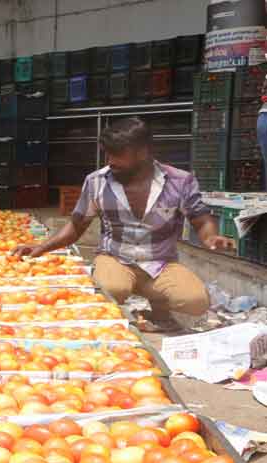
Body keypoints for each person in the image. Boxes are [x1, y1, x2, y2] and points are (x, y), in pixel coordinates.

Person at [14, 117, 231, 330]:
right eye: (107, 153)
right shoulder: (96, 182)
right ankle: (130, 303)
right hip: (115, 258)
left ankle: (157, 306)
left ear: (143, 151)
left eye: (117, 154)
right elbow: (76, 226)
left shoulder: (179, 181)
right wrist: (41, 247)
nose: (110, 160)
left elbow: (201, 220)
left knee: (195, 301)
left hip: (160, 263)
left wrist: (210, 237)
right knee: (110, 289)